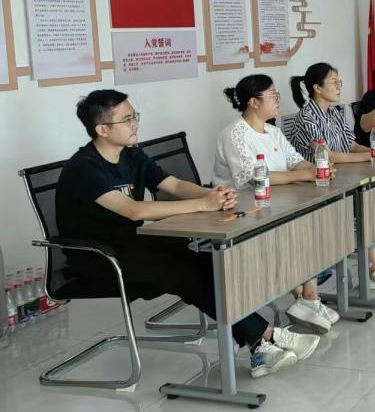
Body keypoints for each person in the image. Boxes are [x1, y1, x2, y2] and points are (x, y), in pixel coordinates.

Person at [56, 90, 319, 379]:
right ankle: (266, 336)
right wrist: (202, 205)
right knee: (185, 274)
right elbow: (133, 210)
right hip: (97, 258)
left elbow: (175, 185)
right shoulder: (84, 168)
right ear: (102, 130)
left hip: (133, 244)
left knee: (207, 261)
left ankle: (260, 343)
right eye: (127, 119)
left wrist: (213, 194)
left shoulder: (131, 154)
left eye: (134, 116)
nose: (135, 124)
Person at [213, 74, 340, 332]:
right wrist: (303, 175)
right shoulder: (234, 134)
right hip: (243, 210)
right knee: (298, 230)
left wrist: (316, 168)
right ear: (254, 102)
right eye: (272, 96)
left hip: (276, 203)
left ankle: (308, 299)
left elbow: (294, 160)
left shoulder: (273, 131)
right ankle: (305, 299)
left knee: (312, 222)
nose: (278, 100)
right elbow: (254, 178)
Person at [288, 62, 375, 293]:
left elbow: (351, 144)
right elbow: (327, 156)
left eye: (339, 82)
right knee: (369, 202)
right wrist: (368, 156)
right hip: (319, 186)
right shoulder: (306, 118)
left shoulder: (334, 113)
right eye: (334, 82)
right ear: (317, 88)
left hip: (343, 177)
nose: (339, 87)